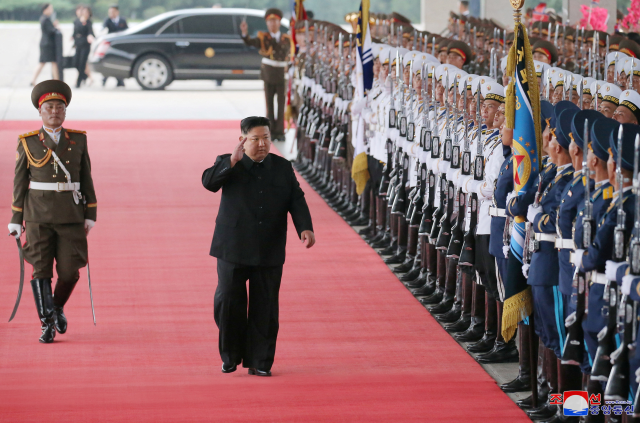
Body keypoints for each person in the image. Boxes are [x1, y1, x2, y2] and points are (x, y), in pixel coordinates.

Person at [202, 116, 315, 376]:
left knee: (265, 307)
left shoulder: (282, 167)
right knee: (228, 302)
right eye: (255, 139)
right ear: (242, 139)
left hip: (269, 247)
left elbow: (296, 200)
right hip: (232, 247)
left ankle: (260, 362)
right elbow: (209, 183)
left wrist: (305, 227)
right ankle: (230, 356)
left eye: (266, 138)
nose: (262, 144)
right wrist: (231, 161)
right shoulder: (228, 162)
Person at [8, 80, 97, 343]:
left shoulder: (78, 140)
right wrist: (16, 218)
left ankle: (56, 306)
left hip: (71, 215)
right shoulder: (27, 142)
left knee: (70, 271)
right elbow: (19, 182)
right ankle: (46, 323)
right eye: (49, 107)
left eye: (59, 107)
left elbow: (86, 177)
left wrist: (90, 212)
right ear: (40, 111)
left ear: (65, 111)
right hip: (38, 216)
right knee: (41, 269)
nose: (54, 111)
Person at [239, 9, 293, 142]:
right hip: (268, 73)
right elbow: (250, 42)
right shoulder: (263, 37)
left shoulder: (286, 39)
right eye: (269, 21)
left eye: (274, 21)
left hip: (281, 74)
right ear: (267, 23)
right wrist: (245, 33)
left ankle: (280, 132)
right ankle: (269, 132)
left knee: (281, 105)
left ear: (279, 22)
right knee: (269, 105)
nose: (272, 24)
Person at [31, 3, 59, 86]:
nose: (51, 10)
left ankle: (56, 80)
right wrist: (55, 26)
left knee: (50, 62)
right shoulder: (45, 19)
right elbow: (50, 31)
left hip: (46, 43)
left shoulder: (45, 18)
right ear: (45, 9)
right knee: (45, 62)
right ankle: (56, 81)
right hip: (47, 44)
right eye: (50, 9)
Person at [102, 5, 128, 87]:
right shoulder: (107, 20)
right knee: (109, 61)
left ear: (117, 12)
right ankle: (105, 79)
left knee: (119, 62)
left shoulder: (122, 20)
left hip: (120, 45)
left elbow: (127, 31)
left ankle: (120, 80)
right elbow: (103, 29)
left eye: (113, 12)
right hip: (110, 45)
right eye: (110, 12)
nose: (111, 14)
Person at [72, 5, 95, 88]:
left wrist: (90, 36)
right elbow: (74, 32)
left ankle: (78, 82)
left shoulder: (89, 22)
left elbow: (90, 32)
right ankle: (84, 76)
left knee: (82, 63)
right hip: (78, 44)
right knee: (76, 62)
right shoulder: (77, 21)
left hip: (85, 45)